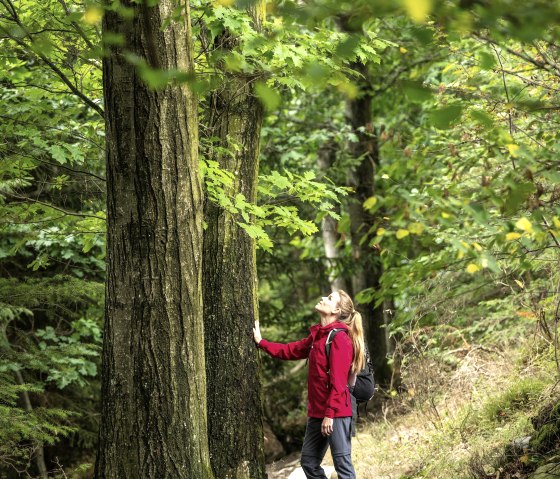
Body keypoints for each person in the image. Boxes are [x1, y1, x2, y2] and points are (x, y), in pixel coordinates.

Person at [253, 290, 365, 479]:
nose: (322, 298)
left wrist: (329, 415)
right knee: (309, 462)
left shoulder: (340, 339)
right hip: (318, 413)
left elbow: (338, 383)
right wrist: (261, 342)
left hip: (335, 413)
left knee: (342, 466)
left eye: (329, 298)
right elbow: (291, 350)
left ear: (336, 310)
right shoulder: (318, 337)